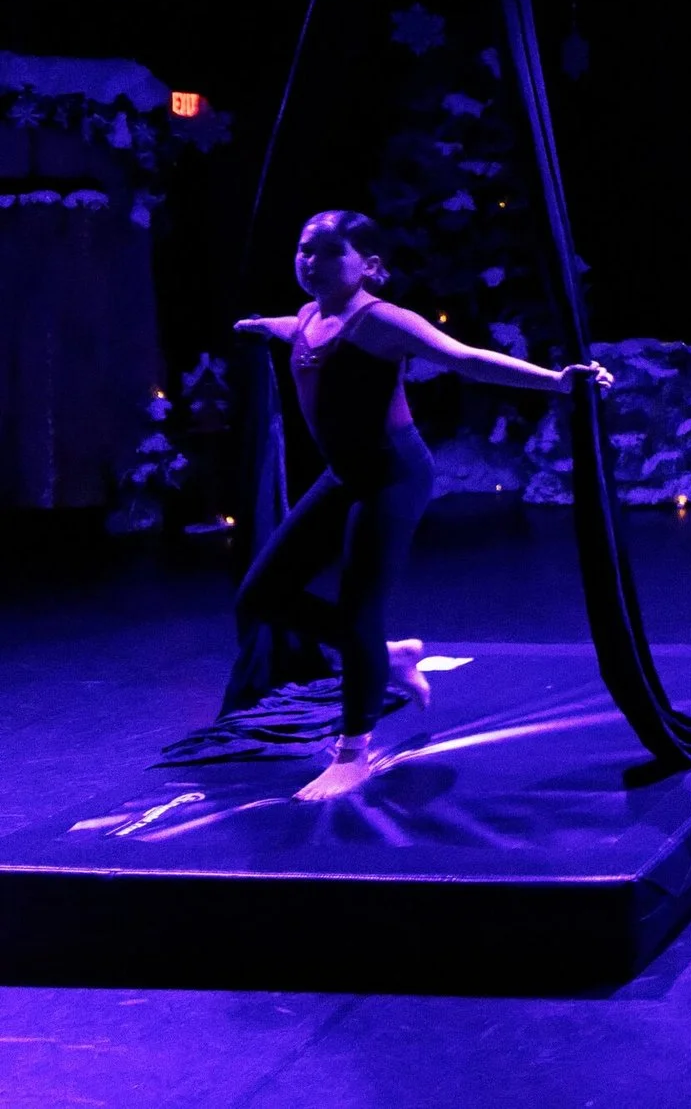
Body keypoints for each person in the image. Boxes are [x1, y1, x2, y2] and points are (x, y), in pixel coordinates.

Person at [232, 209, 611, 802]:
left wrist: (556, 381)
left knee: (358, 605)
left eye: (330, 252)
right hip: (346, 476)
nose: (311, 262)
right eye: (304, 250)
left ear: (370, 267)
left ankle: (352, 751)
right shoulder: (310, 316)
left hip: (393, 475)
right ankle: (386, 656)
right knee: (261, 594)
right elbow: (293, 329)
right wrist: (261, 325)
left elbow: (463, 358)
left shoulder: (381, 322)